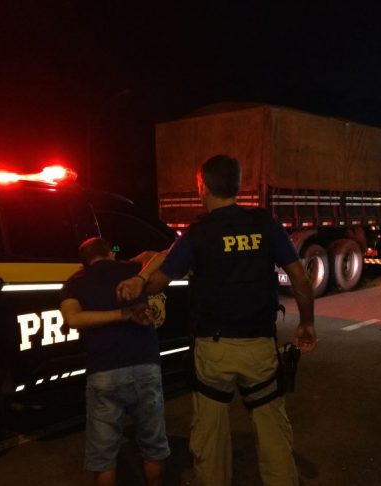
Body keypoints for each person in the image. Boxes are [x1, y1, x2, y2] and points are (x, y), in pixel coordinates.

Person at [116, 155, 316, 486]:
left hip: (213, 350)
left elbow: (157, 283)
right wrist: (306, 323)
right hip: (259, 347)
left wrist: (140, 277)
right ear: (237, 186)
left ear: (202, 187)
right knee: (273, 434)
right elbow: (300, 278)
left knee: (210, 438)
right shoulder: (265, 224)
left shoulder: (197, 233)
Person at [60, 237, 171, 486]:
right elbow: (164, 255)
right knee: (153, 445)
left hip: (104, 371)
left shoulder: (73, 283)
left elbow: (73, 319)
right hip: (145, 365)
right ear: (110, 253)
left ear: (84, 261)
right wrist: (140, 276)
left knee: (104, 455)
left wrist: (120, 315)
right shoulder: (132, 269)